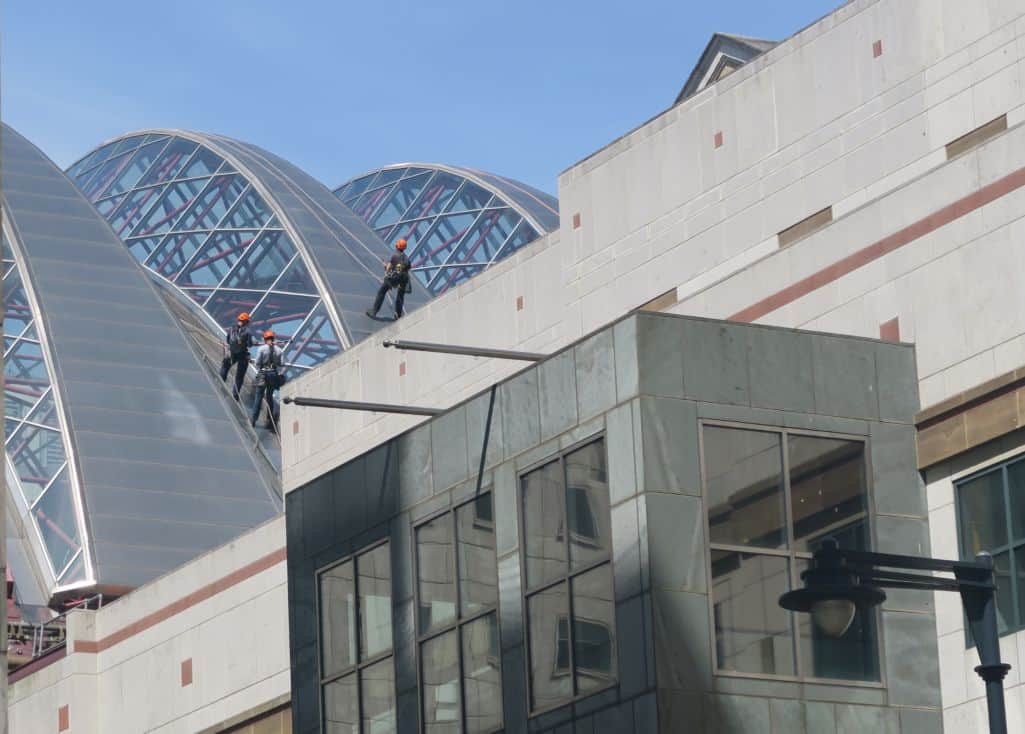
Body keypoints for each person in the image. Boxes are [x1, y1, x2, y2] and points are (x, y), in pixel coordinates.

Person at [366, 238, 411, 320]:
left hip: (394, 278)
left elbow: (388, 268)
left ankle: (374, 311)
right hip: (404, 279)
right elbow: (407, 267)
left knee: (382, 291)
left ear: (397, 246)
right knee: (400, 296)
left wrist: (385, 265)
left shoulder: (395, 256)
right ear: (404, 248)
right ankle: (398, 315)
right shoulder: (407, 258)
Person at [251, 330, 285, 430]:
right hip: (273, 375)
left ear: (265, 339)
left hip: (263, 374)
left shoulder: (262, 349)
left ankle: (253, 419)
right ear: (273, 338)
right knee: (269, 396)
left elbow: (257, 362)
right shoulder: (279, 350)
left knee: (259, 396)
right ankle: (269, 418)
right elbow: (281, 364)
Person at [219, 312, 253, 400]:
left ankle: (220, 382)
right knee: (240, 376)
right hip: (242, 355)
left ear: (239, 320)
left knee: (225, 367)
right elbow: (249, 345)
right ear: (246, 321)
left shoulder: (231, 329)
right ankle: (235, 394)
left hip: (232, 353)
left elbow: (227, 340)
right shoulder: (248, 331)